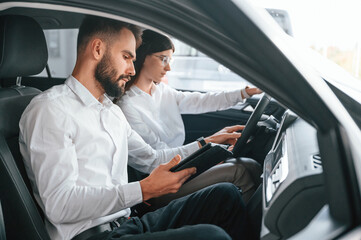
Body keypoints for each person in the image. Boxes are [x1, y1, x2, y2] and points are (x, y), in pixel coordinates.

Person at [19, 16, 248, 240]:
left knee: (224, 195)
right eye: (126, 57)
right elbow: (60, 205)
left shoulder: (111, 111)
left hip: (129, 223)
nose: (131, 69)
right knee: (211, 236)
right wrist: (143, 189)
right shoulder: (51, 109)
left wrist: (206, 144)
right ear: (97, 49)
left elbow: (151, 158)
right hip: (90, 235)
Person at [116, 30, 263, 207]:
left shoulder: (162, 92)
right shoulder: (128, 106)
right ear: (143, 57)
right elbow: (156, 159)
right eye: (163, 59)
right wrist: (205, 145)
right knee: (240, 172)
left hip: (183, 166)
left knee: (252, 166)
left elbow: (202, 101)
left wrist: (245, 93)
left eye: (170, 60)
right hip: (165, 181)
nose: (168, 67)